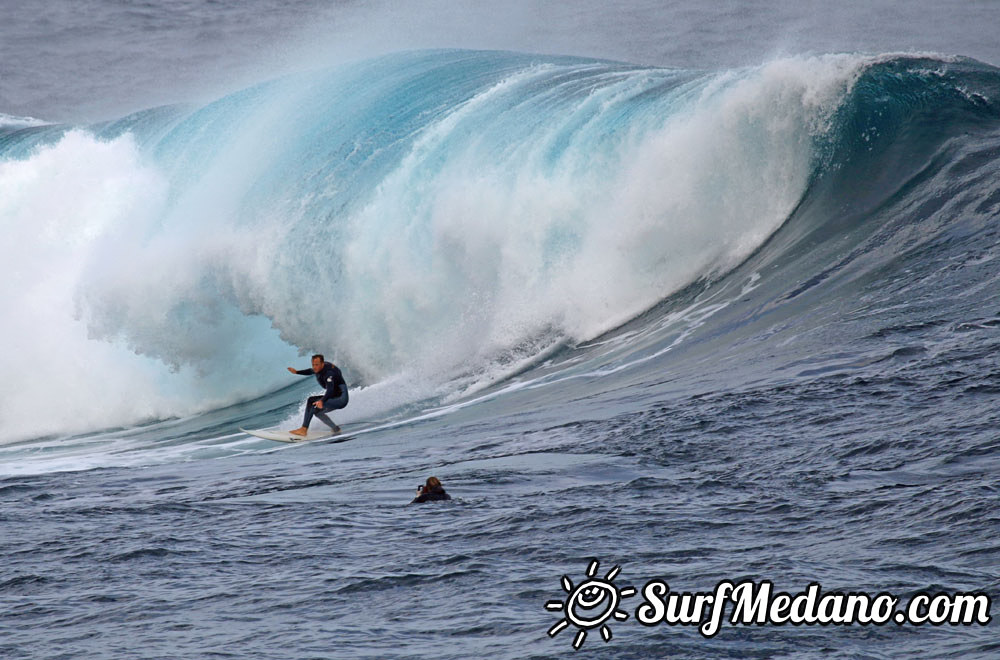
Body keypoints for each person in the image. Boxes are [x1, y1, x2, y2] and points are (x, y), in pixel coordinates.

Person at [287, 354, 348, 436]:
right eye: (313, 364)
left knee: (311, 401)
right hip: (334, 396)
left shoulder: (328, 373)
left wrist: (322, 401)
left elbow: (330, 390)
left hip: (341, 399)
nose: (314, 367)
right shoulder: (319, 368)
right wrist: (297, 372)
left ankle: (303, 429)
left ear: (322, 364)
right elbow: (310, 371)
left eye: (316, 365)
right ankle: (335, 428)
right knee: (317, 412)